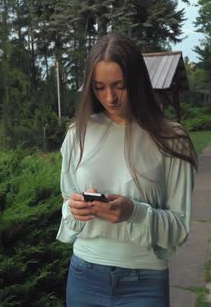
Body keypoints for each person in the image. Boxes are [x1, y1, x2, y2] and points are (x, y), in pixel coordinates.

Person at [56, 33, 198, 307]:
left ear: (137, 82)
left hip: (144, 281)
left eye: (119, 86)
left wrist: (134, 212)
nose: (110, 97)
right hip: (84, 274)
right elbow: (66, 198)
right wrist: (73, 208)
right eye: (99, 87)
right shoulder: (78, 133)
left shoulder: (171, 139)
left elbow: (180, 226)